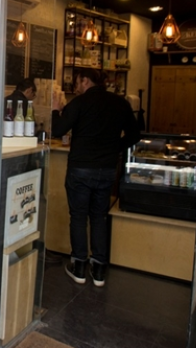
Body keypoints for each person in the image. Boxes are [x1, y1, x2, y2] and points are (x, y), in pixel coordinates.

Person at [51, 69, 140, 287]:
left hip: (80, 169)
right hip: (107, 169)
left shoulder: (80, 103)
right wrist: (114, 148)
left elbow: (57, 129)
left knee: (79, 217)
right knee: (99, 217)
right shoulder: (120, 103)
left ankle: (79, 267)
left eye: (77, 82)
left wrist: (55, 110)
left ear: (85, 81)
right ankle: (99, 270)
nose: (76, 87)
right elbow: (135, 134)